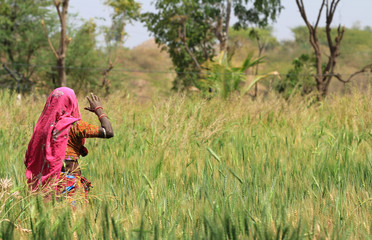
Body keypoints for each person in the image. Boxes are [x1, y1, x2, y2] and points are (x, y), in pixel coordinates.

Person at [24, 87, 113, 203]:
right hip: (71, 187)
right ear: (72, 102)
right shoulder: (75, 126)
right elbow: (108, 132)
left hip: (47, 186)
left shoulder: (42, 128)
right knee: (75, 220)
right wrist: (98, 109)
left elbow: (29, 158)